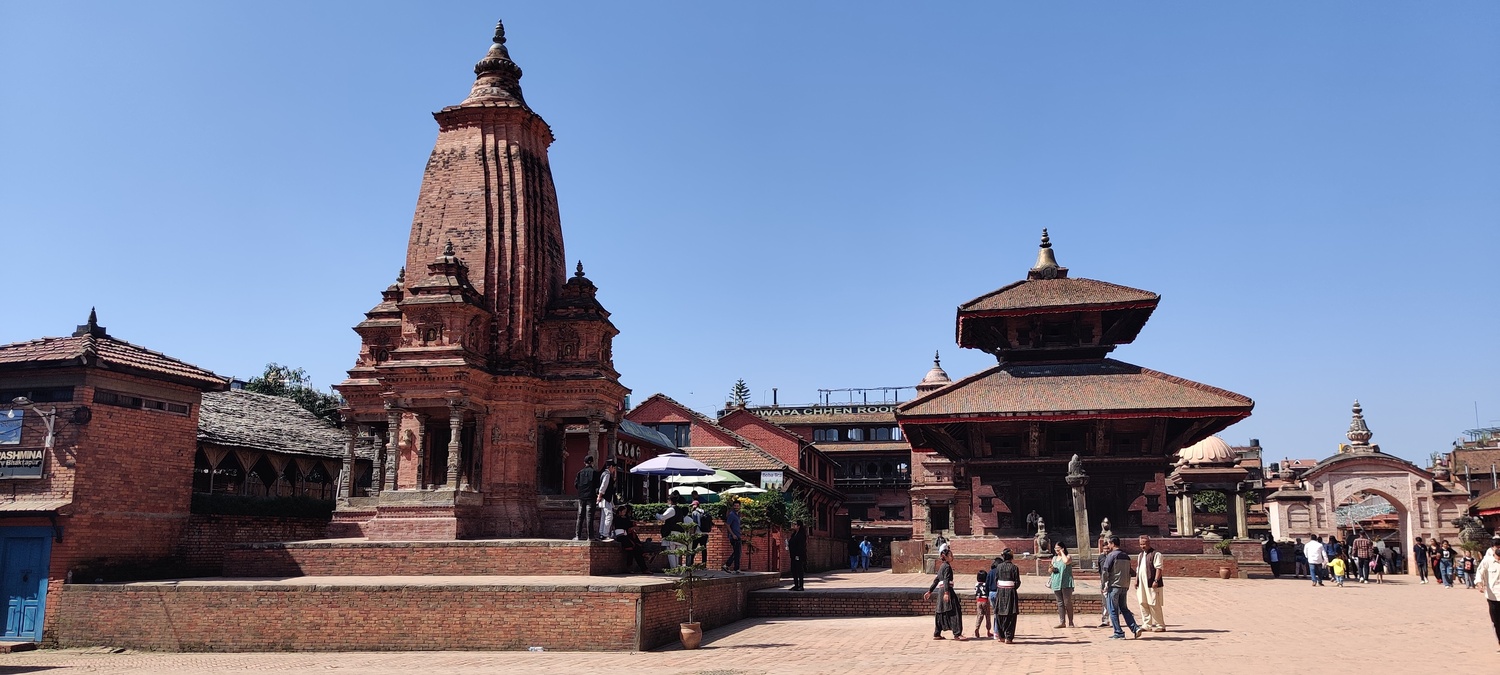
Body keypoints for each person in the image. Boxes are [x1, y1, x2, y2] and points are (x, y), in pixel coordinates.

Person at [1101, 536, 1142, 639]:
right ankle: (1135, 628)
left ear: (1112, 543)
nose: (1108, 545)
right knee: (1124, 608)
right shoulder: (1126, 556)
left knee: (1113, 610)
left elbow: (1105, 571)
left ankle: (1118, 632)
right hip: (1124, 585)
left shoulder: (1111, 556)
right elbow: (1131, 571)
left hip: (1114, 585)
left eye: (1109, 543)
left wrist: (1104, 584)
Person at [924, 548, 966, 640]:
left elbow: (936, 580)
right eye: (950, 555)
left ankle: (937, 633)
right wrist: (947, 592)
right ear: (945, 557)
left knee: (941, 611)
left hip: (940, 591)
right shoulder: (947, 567)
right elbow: (946, 580)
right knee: (955, 611)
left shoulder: (942, 566)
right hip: (947, 590)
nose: (952, 557)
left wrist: (930, 591)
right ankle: (957, 633)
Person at [989, 549, 1021, 643]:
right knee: (1011, 614)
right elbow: (1017, 582)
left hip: (1000, 592)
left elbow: (996, 580)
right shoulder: (1014, 568)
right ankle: (1009, 637)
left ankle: (1001, 636)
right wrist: (1012, 587)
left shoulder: (998, 567)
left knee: (1000, 614)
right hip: (1011, 593)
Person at [1474, 536, 1500, 649]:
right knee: (1496, 622)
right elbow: (1479, 572)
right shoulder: (1487, 560)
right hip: (1493, 596)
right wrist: (1479, 583)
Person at [1135, 535, 1166, 632]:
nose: (1142, 546)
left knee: (1154, 603)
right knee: (1143, 603)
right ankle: (1147, 624)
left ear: (1149, 543)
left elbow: (1159, 568)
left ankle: (1160, 625)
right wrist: (1136, 581)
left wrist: (1156, 580)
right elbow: (1138, 569)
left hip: (1151, 583)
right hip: (1142, 584)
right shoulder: (1140, 555)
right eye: (1141, 544)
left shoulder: (1156, 554)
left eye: (1144, 544)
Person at [615, 504, 650, 574]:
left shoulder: (626, 518)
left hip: (627, 537)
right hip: (621, 536)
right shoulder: (617, 519)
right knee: (632, 548)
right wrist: (631, 528)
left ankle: (644, 567)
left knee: (636, 549)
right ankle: (631, 566)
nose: (625, 513)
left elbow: (630, 523)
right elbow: (623, 526)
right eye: (623, 511)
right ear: (619, 512)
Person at [572, 456, 599, 541]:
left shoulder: (580, 473)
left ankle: (577, 535)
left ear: (585, 462)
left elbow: (576, 484)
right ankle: (590, 536)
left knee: (580, 516)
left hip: (581, 497)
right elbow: (597, 485)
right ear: (592, 462)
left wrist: (581, 491)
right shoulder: (594, 472)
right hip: (591, 497)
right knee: (589, 516)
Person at [1050, 542, 1076, 629]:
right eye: (1055, 549)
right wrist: (1051, 569)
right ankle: (1062, 622)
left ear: (1063, 548)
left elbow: (1066, 562)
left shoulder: (1068, 557)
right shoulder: (1054, 558)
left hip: (1066, 582)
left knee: (1067, 602)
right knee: (1060, 603)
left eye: (1058, 548)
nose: (1056, 550)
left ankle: (1071, 621)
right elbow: (1050, 570)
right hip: (1056, 581)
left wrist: (1062, 553)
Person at [656, 495, 686, 568]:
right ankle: (677, 568)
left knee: (671, 551)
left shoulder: (671, 509)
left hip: (672, 532)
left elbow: (662, 517)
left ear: (670, 501)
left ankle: (673, 569)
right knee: (676, 552)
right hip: (678, 532)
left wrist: (656, 514)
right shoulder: (679, 510)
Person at [596, 460, 619, 541]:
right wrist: (600, 495)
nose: (614, 469)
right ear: (610, 467)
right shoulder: (607, 474)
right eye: (613, 468)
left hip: (605, 498)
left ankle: (602, 533)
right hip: (606, 498)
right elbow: (603, 486)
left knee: (604, 516)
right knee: (609, 516)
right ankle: (605, 534)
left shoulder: (604, 474)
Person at [722, 498, 743, 574]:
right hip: (734, 536)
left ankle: (735, 568)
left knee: (737, 552)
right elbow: (727, 525)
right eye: (735, 506)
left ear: (740, 506)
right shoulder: (732, 515)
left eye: (737, 506)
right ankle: (728, 565)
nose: (736, 507)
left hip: (738, 535)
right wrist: (733, 534)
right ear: (733, 506)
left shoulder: (737, 515)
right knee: (737, 552)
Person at [973, 570, 993, 639]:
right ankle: (988, 631)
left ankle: (977, 628)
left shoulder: (976, 584)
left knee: (979, 616)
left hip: (979, 601)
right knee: (987, 616)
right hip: (985, 600)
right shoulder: (986, 584)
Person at [788, 520, 808, 591]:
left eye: (795, 524)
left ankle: (801, 586)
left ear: (799, 526)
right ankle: (796, 585)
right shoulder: (793, 534)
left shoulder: (801, 535)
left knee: (799, 570)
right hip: (793, 555)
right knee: (794, 570)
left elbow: (801, 546)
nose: (794, 526)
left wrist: (798, 555)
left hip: (798, 555)